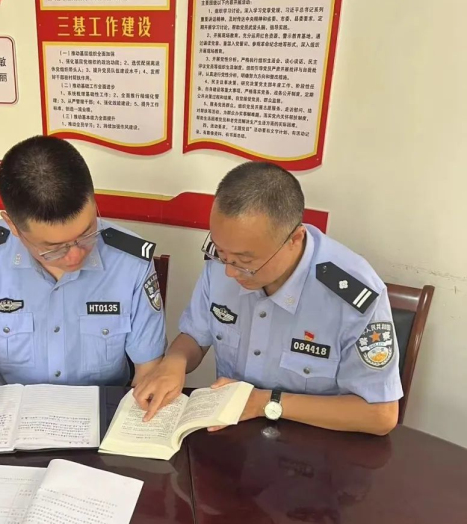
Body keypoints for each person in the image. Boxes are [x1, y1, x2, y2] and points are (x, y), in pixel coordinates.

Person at [134, 162, 402, 435]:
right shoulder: (224, 260)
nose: (229, 271)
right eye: (222, 253)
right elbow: (195, 335)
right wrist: (174, 363)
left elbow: (380, 415)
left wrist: (264, 403)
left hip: (314, 443)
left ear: (294, 239)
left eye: (245, 261)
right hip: (231, 435)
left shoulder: (350, 294)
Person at [0, 136, 166, 422]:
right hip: (4, 416)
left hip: (99, 414)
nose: (75, 255)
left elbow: (149, 367)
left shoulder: (130, 261)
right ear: (13, 226)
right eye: (53, 248)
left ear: (93, 201)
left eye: (87, 233)